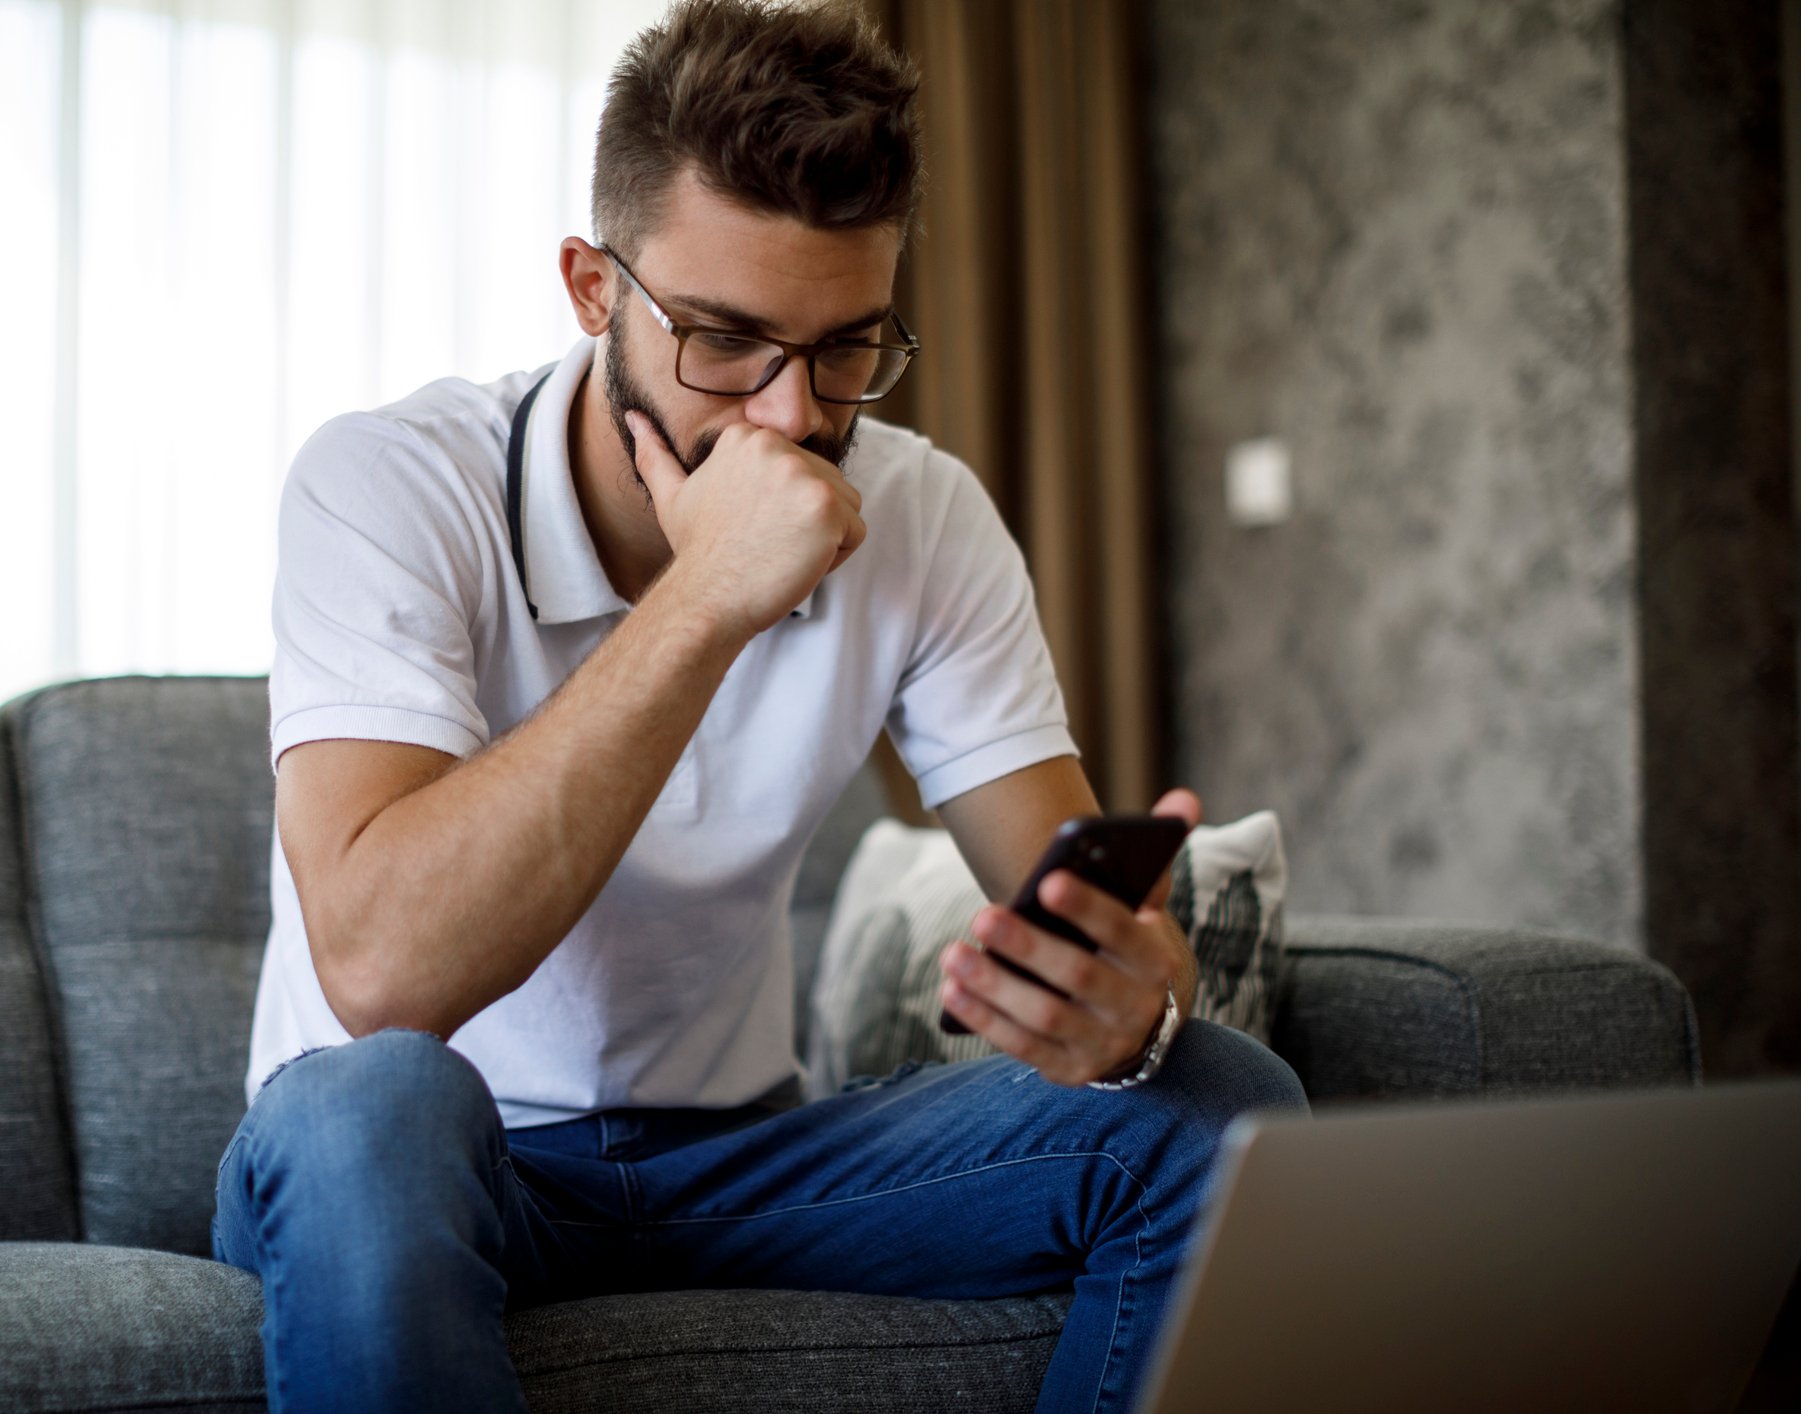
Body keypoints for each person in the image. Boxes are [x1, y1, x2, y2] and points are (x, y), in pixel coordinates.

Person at [211, 2, 1307, 1410]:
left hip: (736, 1163)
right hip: (418, 1158)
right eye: (723, 342)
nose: (786, 418)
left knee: (1221, 1103)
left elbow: (1064, 891)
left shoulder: (925, 515)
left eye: (845, 349)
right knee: (374, 1101)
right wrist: (706, 595)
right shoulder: (386, 485)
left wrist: (1129, 1002)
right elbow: (379, 973)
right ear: (592, 290)